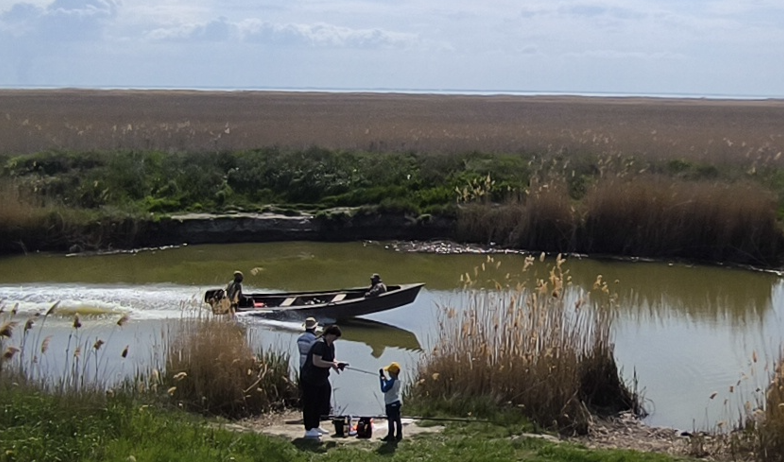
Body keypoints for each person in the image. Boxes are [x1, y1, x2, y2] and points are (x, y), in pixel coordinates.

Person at [300, 324, 346, 440]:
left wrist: (337, 364)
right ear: (329, 334)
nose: (335, 340)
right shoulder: (319, 344)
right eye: (335, 337)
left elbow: (331, 359)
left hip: (321, 378)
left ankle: (316, 425)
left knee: (320, 401)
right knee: (310, 403)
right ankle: (309, 429)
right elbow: (317, 362)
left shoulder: (331, 345)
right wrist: (332, 364)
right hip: (310, 378)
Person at [379, 361, 403, 442]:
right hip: (397, 402)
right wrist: (385, 379)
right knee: (397, 419)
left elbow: (384, 389)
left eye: (389, 372)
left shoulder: (391, 382)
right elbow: (389, 383)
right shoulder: (397, 381)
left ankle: (391, 435)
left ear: (392, 373)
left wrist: (381, 380)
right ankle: (399, 435)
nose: (388, 373)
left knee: (391, 420)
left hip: (390, 404)